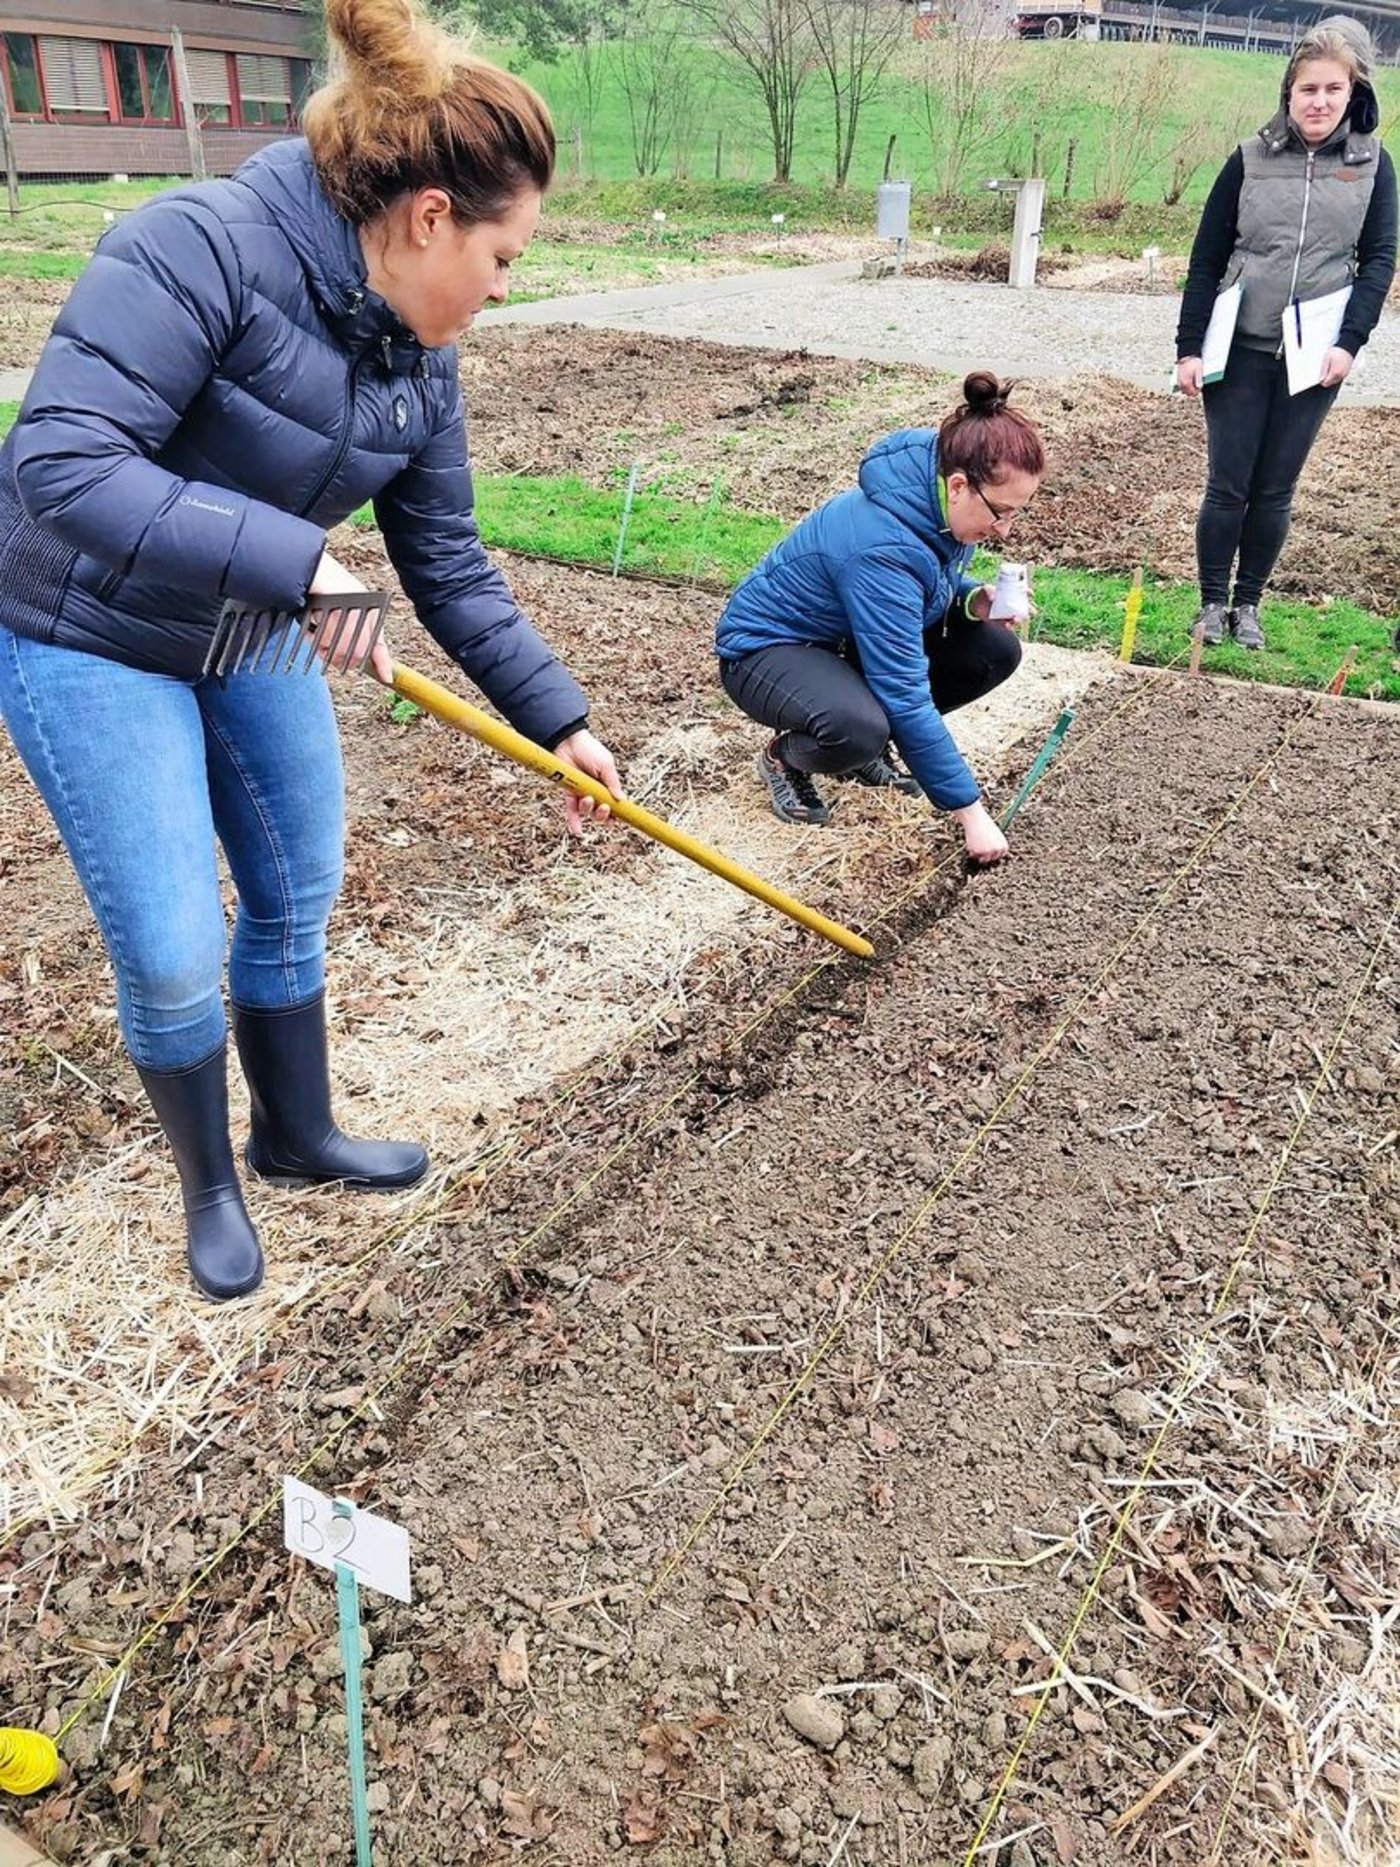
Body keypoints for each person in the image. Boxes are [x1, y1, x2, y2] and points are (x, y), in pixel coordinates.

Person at [0, 0, 622, 1302]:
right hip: (84, 629)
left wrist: (558, 716)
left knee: (297, 877)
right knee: (171, 939)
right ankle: (210, 1183)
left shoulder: (419, 354)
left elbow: (446, 563)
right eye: (506, 257)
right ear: (432, 216)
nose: (504, 290)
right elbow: (59, 460)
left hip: (241, 620)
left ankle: (294, 1131)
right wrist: (300, 563)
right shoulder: (195, 248)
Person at [715, 372, 1045, 868]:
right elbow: (904, 687)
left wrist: (973, 598)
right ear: (959, 485)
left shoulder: (931, 502)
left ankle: (858, 750)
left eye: (1016, 513)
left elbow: (922, 583)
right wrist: (969, 811)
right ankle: (786, 757)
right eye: (1001, 512)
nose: (1004, 529)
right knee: (857, 729)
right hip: (767, 652)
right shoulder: (881, 546)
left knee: (993, 651)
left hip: (841, 641)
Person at [1175, 15, 1397, 651]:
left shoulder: (1374, 168)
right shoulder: (1249, 159)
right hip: (1241, 347)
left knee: (1275, 487)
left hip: (1313, 356)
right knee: (1228, 482)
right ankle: (1212, 603)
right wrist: (1189, 347)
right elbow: (1207, 257)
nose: (1320, 101)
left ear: (1353, 93)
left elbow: (1379, 260)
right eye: (1308, 89)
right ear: (1288, 93)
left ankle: (1250, 606)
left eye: (1333, 89)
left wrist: (1348, 343)